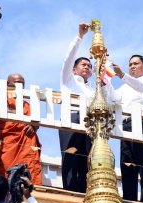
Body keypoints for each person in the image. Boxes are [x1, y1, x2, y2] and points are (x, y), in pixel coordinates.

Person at [108, 55, 143, 203]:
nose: (132, 67)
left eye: (136, 64)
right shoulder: (124, 86)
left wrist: (122, 75)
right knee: (127, 166)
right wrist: (105, 79)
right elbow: (113, 96)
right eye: (130, 64)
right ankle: (129, 202)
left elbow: (140, 86)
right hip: (126, 126)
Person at [58, 22, 93, 193]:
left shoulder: (93, 90)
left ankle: (86, 194)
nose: (87, 67)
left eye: (89, 66)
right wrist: (80, 37)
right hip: (71, 118)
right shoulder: (68, 80)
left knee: (87, 161)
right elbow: (68, 57)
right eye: (83, 65)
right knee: (71, 157)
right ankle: (70, 192)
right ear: (74, 69)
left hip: (90, 125)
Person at [0, 73, 42, 185]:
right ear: (8, 84)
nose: (20, 85)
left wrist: (32, 126)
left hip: (27, 144)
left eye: (22, 83)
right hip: (8, 144)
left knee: (28, 173)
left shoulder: (27, 104)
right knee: (5, 172)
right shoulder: (0, 99)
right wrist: (25, 119)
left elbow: (36, 122)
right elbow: (5, 112)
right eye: (17, 82)